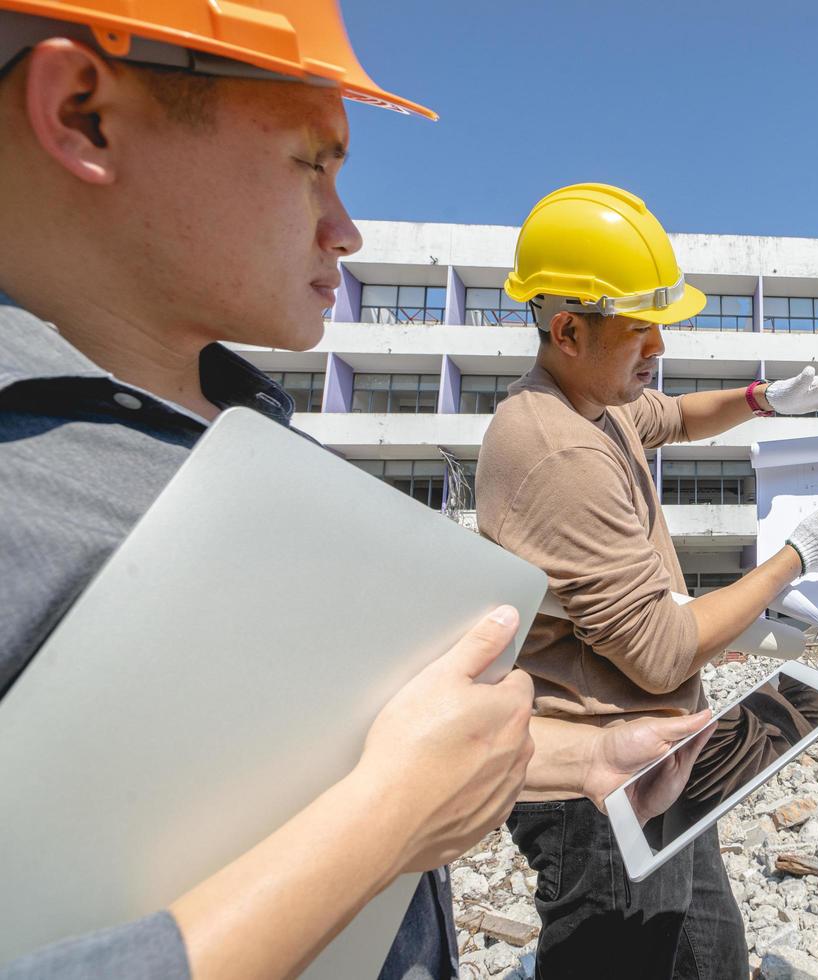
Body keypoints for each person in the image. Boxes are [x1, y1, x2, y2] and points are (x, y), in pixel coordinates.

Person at [0, 5, 711, 977]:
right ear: (83, 113)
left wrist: (580, 759)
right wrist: (388, 826)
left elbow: (309, 761)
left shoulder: (240, 444)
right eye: (312, 161)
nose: (346, 226)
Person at [476, 182, 818, 979]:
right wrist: (797, 559)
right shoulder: (559, 449)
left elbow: (672, 417)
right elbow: (663, 654)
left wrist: (766, 399)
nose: (660, 350)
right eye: (642, 331)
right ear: (568, 328)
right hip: (597, 794)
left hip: (658, 756)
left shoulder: (592, 404)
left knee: (713, 958)